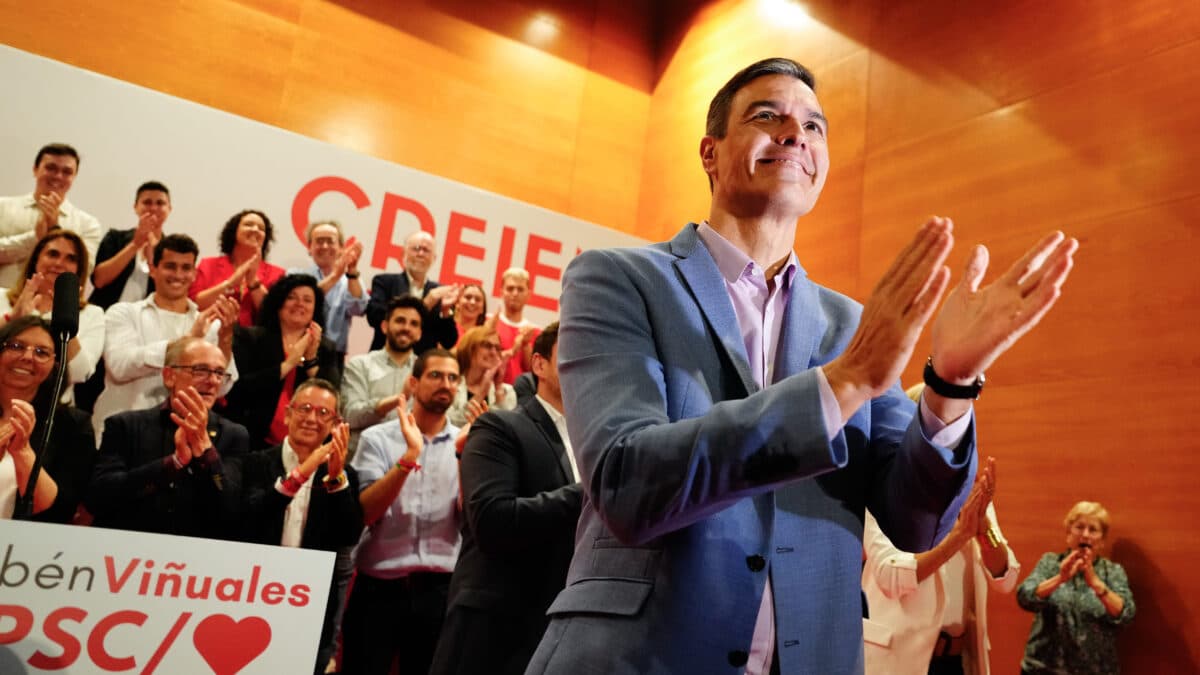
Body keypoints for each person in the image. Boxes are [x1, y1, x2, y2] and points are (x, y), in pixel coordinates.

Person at [526, 57, 1077, 675]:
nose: (796, 133)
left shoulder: (851, 325)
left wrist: (950, 383)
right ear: (710, 152)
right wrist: (842, 384)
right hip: (639, 656)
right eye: (769, 116)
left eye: (814, 127)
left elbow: (916, 521)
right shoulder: (618, 279)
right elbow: (626, 482)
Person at [430, 322, 582, 675]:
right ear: (539, 365)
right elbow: (491, 521)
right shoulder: (500, 427)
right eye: (572, 350)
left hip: (560, 627)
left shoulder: (594, 441)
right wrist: (589, 492)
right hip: (494, 629)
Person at [342, 348, 461, 675]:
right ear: (413, 382)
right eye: (436, 375)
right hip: (380, 587)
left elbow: (471, 521)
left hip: (440, 591)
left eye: (453, 378)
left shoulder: (466, 444)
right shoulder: (377, 438)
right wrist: (409, 457)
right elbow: (366, 511)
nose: (446, 384)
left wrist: (470, 459)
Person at [239, 378, 363, 675]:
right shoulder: (254, 463)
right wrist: (300, 474)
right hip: (250, 593)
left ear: (335, 423)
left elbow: (349, 535)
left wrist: (335, 480)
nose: (311, 418)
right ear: (287, 414)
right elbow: (247, 518)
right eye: (304, 408)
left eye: (323, 413)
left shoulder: (345, 475)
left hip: (309, 605)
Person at [863, 457, 1020, 675]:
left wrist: (984, 528)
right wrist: (959, 536)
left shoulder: (972, 494)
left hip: (956, 661)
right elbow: (890, 576)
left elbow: (1006, 578)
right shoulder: (887, 489)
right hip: (897, 659)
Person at [86, 336, 249, 539]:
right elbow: (99, 498)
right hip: (124, 550)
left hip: (193, 560)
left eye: (219, 373)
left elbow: (231, 510)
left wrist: (205, 448)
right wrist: (173, 463)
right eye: (201, 370)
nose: (213, 380)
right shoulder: (125, 426)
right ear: (169, 376)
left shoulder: (234, 435)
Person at [91, 235, 239, 439]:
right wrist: (188, 340)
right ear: (153, 269)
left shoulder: (209, 325)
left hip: (182, 436)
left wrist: (225, 337)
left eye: (186, 268)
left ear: (195, 274)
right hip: (123, 433)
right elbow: (120, 367)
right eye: (170, 266)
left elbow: (221, 388)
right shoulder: (123, 313)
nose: (178, 274)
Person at [1017, 501, 1135, 675]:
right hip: (1043, 669)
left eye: (1093, 529)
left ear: (1102, 541)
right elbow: (1024, 596)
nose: (1085, 535)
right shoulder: (1050, 563)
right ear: (1068, 533)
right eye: (1079, 527)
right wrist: (1060, 578)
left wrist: (1096, 583)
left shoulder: (1112, 572)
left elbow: (1126, 614)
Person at [224, 274, 339, 450]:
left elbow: (332, 396)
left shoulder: (326, 347)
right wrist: (288, 364)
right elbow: (237, 389)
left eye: (307, 300)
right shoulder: (251, 338)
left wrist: (311, 361)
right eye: (291, 297)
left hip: (303, 444)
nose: (300, 304)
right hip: (251, 437)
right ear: (278, 304)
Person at [0, 316, 95, 522]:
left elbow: (60, 510)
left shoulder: (73, 425)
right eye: (16, 346)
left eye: (41, 352)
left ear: (56, 366)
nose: (27, 357)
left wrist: (22, 452)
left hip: (21, 549)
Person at [0, 229, 105, 405]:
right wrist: (12, 318)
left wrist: (65, 315)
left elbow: (79, 373)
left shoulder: (92, 314)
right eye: (52, 254)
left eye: (71, 258)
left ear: (79, 269)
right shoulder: (2, 298)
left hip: (53, 411)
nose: (59, 263)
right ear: (36, 260)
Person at [0, 144, 103, 288]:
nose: (58, 176)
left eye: (67, 172)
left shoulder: (87, 224)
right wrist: (34, 238)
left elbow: (84, 271)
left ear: (74, 177)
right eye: (51, 168)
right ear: (35, 170)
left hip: (54, 307)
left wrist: (54, 231)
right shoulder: (3, 207)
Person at [340, 295, 424, 455]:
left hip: (407, 461)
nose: (406, 328)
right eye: (400, 321)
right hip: (361, 457)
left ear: (419, 333)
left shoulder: (426, 372)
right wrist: (399, 398)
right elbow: (350, 416)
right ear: (385, 326)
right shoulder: (360, 365)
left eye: (413, 324)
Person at [288, 220, 366, 377]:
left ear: (340, 248)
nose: (324, 246)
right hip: (295, 352)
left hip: (333, 356)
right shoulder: (295, 275)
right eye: (319, 241)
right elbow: (302, 300)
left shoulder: (350, 279)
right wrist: (334, 276)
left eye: (330, 241)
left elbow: (359, 309)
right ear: (309, 248)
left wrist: (351, 271)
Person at [366, 230, 459, 353]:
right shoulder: (384, 282)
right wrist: (425, 304)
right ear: (403, 253)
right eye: (416, 248)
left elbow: (448, 341)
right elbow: (374, 318)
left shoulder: (439, 293)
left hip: (421, 365)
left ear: (434, 258)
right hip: (384, 360)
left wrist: (446, 313)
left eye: (426, 250)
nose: (421, 254)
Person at [190, 209, 286, 327]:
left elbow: (276, 315)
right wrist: (230, 283)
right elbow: (193, 304)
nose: (255, 229)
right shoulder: (208, 265)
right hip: (210, 335)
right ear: (234, 231)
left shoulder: (277, 273)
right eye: (248, 224)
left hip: (256, 341)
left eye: (261, 228)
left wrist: (253, 283)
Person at [89, 181, 172, 309]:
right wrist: (135, 245)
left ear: (169, 209)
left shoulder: (172, 250)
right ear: (135, 207)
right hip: (104, 315)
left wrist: (153, 252)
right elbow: (99, 280)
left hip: (148, 322)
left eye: (160, 203)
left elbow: (170, 291)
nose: (154, 208)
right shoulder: (115, 238)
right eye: (147, 202)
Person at [446, 324, 516, 427]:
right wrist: (481, 392)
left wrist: (498, 389)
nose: (493, 352)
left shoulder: (507, 391)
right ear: (470, 349)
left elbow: (506, 429)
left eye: (497, 348)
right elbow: (451, 423)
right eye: (487, 346)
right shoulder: (449, 385)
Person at [493, 267, 539, 385]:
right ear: (501, 291)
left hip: (521, 397)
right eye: (510, 288)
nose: (515, 293)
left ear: (529, 294)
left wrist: (525, 345)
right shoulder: (490, 323)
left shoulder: (536, 332)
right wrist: (513, 350)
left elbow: (535, 373)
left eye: (520, 289)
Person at [452, 282, 487, 348]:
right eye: (468, 297)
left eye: (478, 299)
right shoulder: (445, 328)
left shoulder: (484, 337)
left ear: (482, 309)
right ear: (457, 303)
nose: (472, 302)